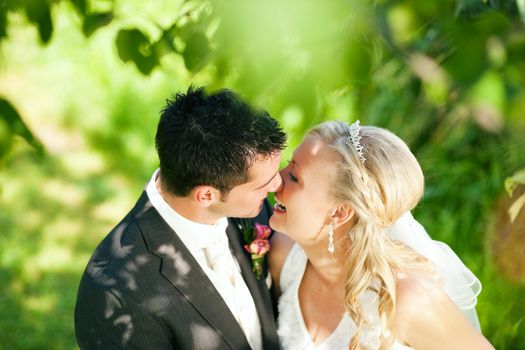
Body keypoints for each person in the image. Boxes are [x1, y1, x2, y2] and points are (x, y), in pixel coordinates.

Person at [74, 86, 286, 349]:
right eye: (262, 184)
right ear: (206, 196)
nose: (277, 185)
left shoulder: (252, 209)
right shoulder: (115, 292)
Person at [268, 120, 494, 349]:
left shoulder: (405, 300)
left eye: (294, 177)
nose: (276, 180)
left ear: (340, 212)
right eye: (288, 164)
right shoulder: (284, 257)